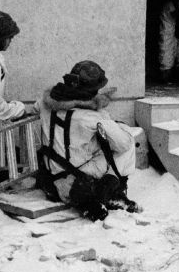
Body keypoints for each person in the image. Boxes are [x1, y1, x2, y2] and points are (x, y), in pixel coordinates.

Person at [36, 61, 140, 220]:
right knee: (128, 143)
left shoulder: (44, 103)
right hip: (77, 180)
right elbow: (123, 144)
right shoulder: (91, 117)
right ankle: (107, 194)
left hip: (53, 176)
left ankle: (96, 196)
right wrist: (114, 124)